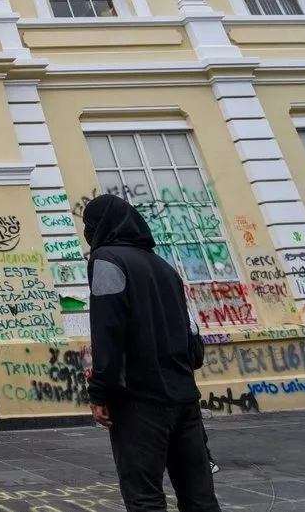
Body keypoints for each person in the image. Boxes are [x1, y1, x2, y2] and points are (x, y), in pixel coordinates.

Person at [83, 194, 221, 512]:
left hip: (139, 400)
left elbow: (108, 330)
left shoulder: (106, 260)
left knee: (145, 497)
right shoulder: (166, 268)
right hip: (185, 398)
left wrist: (99, 392)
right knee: (199, 496)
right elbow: (193, 339)